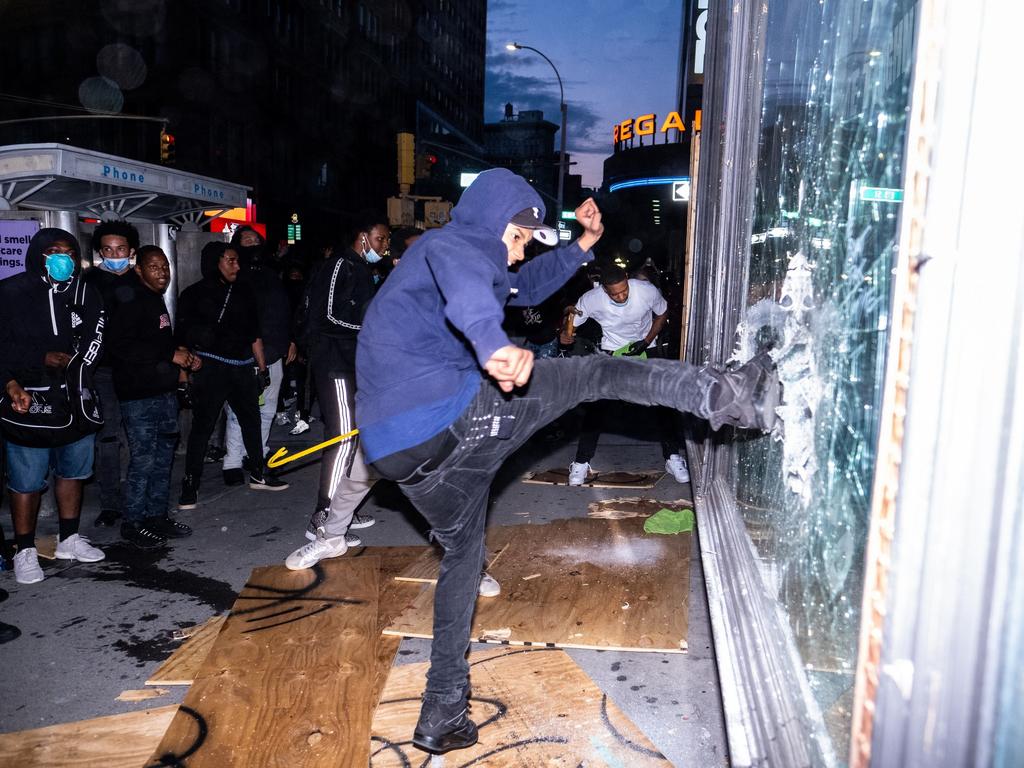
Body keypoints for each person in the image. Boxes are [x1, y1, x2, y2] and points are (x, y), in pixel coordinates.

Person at [355, 168, 780, 755]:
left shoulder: (442, 264)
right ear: (502, 223)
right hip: (447, 417)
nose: (521, 250)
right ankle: (734, 396)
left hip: (400, 458)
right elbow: (469, 290)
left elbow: (522, 289)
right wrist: (492, 345)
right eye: (521, 239)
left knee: (462, 555)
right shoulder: (454, 245)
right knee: (598, 371)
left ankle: (442, 710)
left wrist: (583, 245)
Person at [0, 228, 107, 585]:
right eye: (53, 251)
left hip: (74, 398)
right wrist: (35, 362)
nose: (62, 258)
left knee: (73, 471)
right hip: (28, 400)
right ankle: (25, 550)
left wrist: (78, 370)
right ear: (37, 254)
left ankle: (69, 539)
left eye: (69, 252)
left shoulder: (85, 291)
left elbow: (96, 337)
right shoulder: (11, 292)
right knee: (26, 480)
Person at [283, 216, 389, 570]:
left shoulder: (360, 269)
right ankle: (323, 516)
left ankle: (341, 510)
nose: (384, 246)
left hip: (353, 364)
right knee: (343, 439)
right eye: (380, 238)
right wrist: (370, 327)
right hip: (335, 365)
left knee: (356, 440)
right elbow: (327, 317)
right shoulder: (340, 266)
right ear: (363, 236)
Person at [176, 242, 286, 510]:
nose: (237, 266)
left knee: (251, 422)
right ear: (215, 262)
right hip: (211, 368)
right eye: (231, 260)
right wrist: (183, 377)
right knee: (203, 428)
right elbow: (181, 339)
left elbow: (254, 335)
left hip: (242, 367)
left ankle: (258, 473)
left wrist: (262, 370)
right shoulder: (193, 294)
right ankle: (190, 484)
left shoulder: (244, 292)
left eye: (237, 261)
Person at [561, 264, 690, 486]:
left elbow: (662, 313)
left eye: (624, 291)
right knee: (597, 405)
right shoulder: (592, 299)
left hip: (645, 346)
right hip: (612, 350)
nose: (621, 296)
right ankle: (581, 463)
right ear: (604, 289)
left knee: (662, 404)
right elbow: (571, 324)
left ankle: (672, 457)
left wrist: (647, 340)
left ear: (628, 280)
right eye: (614, 293)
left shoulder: (645, 290)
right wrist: (565, 334)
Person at [106, 246, 201, 548]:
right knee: (144, 461)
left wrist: (183, 357)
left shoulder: (154, 299)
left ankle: (156, 516)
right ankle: (133, 522)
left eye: (165, 267)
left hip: (163, 393)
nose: (162, 272)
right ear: (139, 269)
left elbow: (159, 342)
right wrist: (170, 354)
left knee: (163, 460)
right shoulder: (130, 299)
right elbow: (120, 346)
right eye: (154, 266)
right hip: (139, 396)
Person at [221, 226, 295, 486]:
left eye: (255, 240)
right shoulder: (235, 277)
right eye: (246, 241)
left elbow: (283, 309)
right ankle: (232, 459)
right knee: (239, 410)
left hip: (275, 350)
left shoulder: (271, 272)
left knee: (268, 408)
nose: (252, 244)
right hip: (246, 353)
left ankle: (257, 453)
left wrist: (290, 340)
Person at [85, 220, 142, 528]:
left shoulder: (141, 279)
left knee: (140, 436)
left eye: (120, 249)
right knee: (108, 437)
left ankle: (140, 498)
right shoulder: (89, 281)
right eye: (107, 249)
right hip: (104, 371)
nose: (114, 254)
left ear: (130, 251)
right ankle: (111, 503)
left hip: (139, 371)